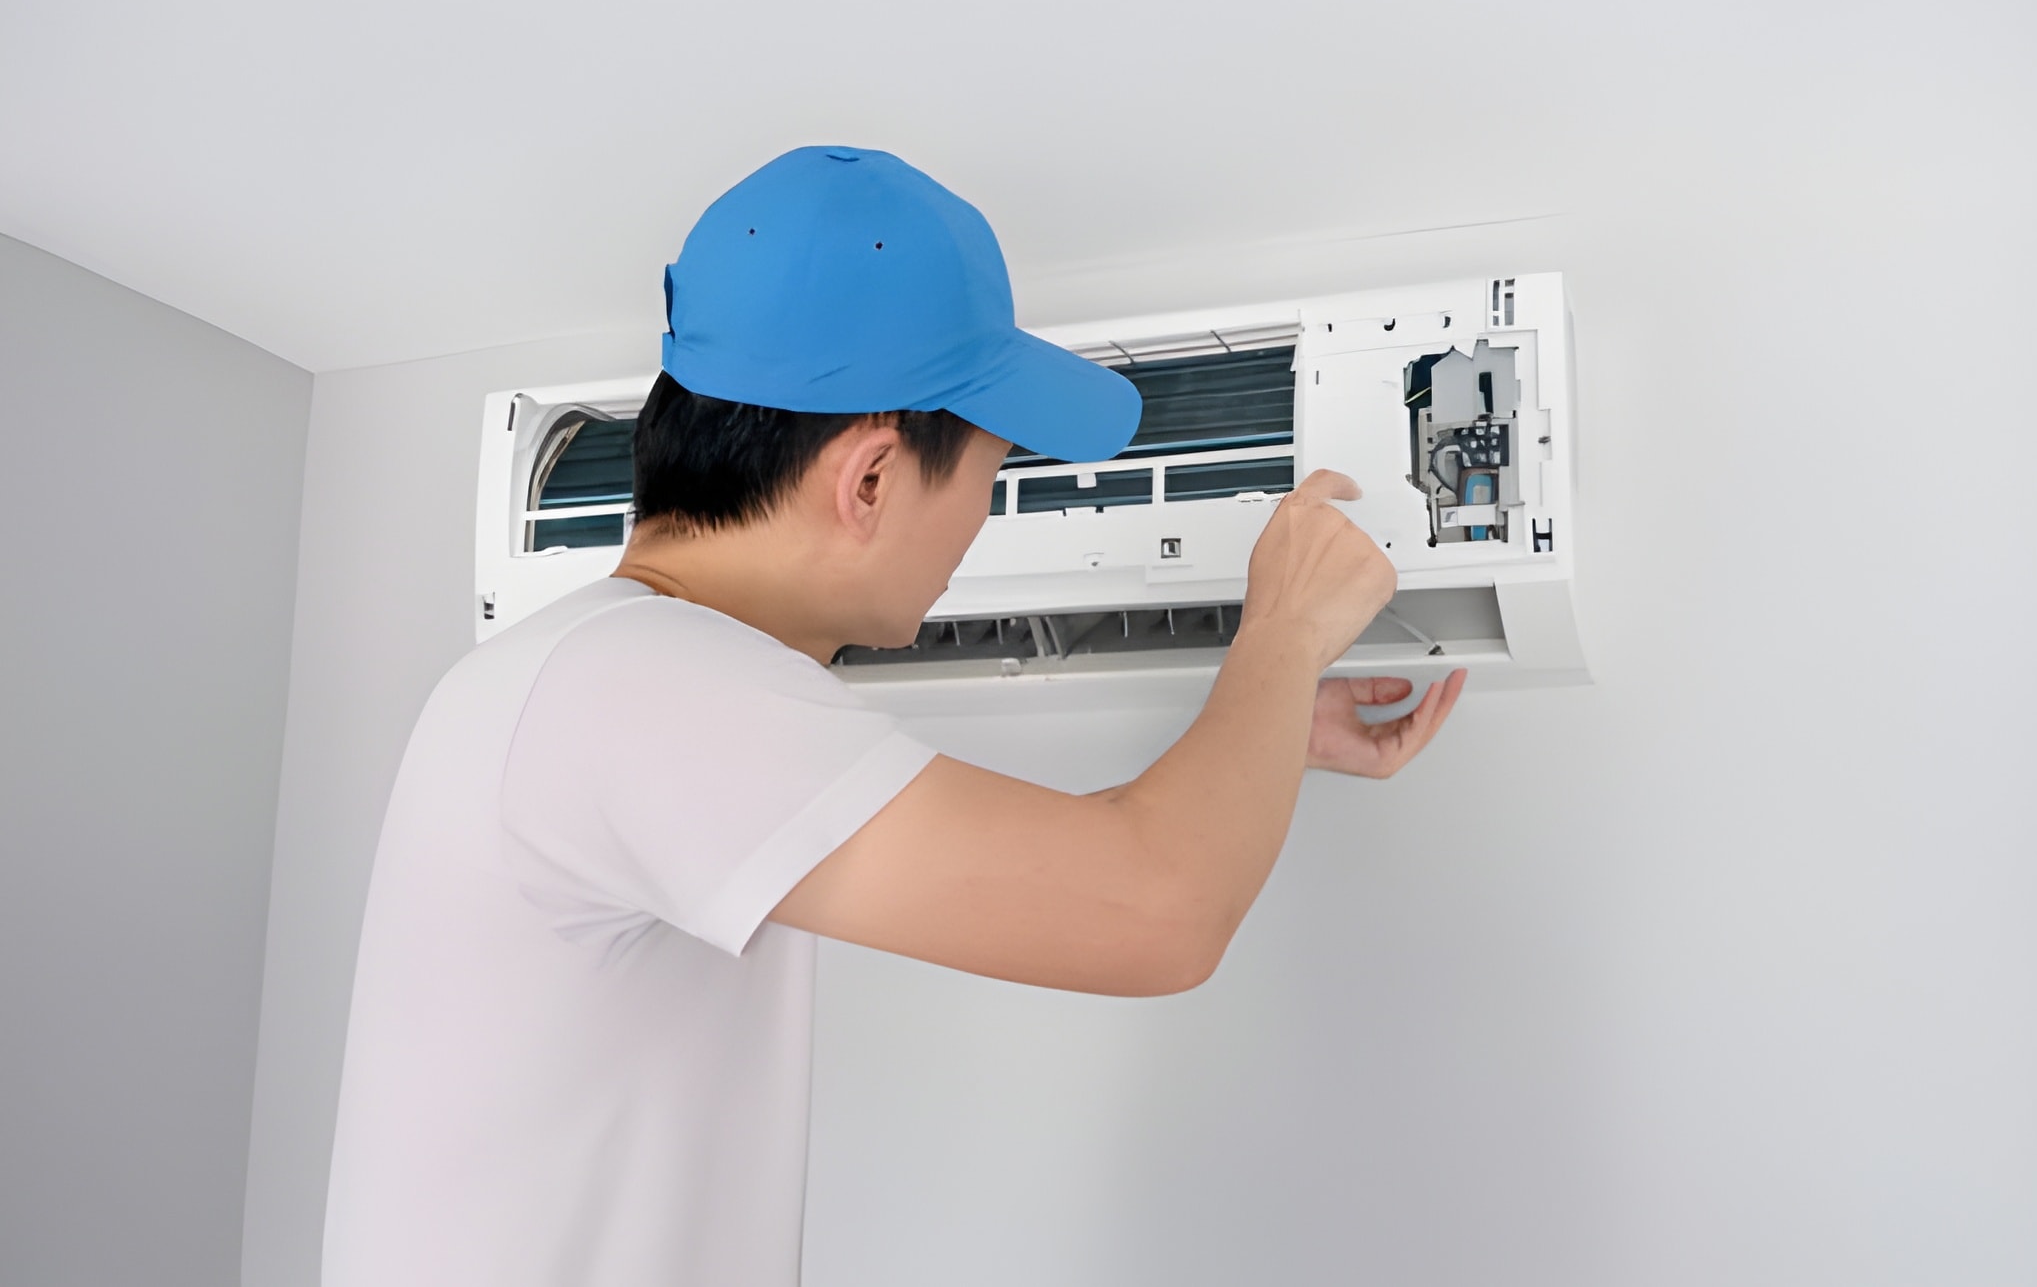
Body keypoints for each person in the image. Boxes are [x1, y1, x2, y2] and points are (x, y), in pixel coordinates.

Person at [322, 146, 1466, 1286]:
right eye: (989, 469)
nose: (978, 517)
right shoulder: (637, 684)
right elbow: (1156, 906)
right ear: (869, 478)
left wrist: (1269, 726)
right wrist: (1284, 625)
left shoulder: (586, 673)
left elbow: (1107, 857)